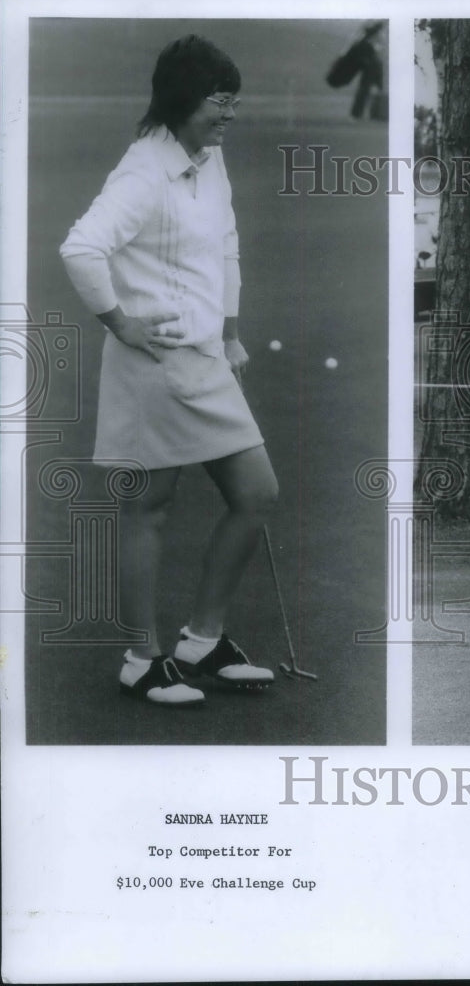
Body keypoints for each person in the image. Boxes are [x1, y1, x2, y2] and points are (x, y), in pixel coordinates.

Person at [60, 35, 279, 707]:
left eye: (234, 101)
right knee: (149, 511)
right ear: (185, 99)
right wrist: (119, 322)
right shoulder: (143, 172)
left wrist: (232, 332)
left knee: (257, 492)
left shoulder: (207, 157)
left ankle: (202, 640)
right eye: (221, 101)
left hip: (204, 358)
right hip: (153, 365)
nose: (230, 114)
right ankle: (141, 658)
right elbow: (81, 248)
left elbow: (228, 242)